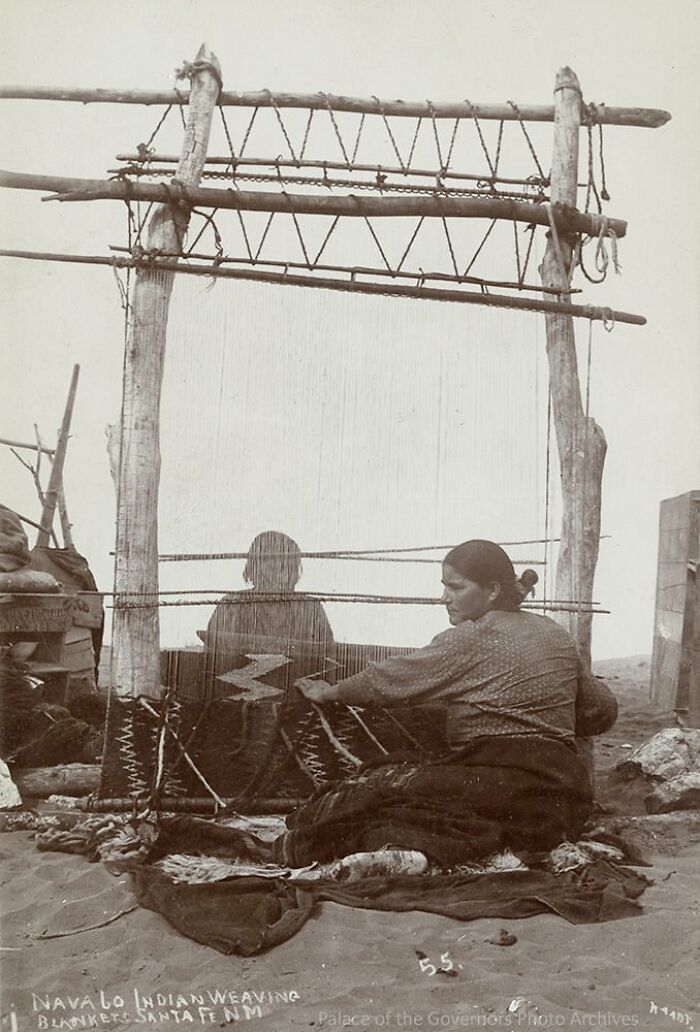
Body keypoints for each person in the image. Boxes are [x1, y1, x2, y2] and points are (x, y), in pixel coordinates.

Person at [273, 539, 617, 869]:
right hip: (567, 798)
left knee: (378, 788)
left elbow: (391, 679)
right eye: (445, 586)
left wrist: (330, 692)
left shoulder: (471, 638)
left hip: (506, 789)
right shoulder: (555, 633)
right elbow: (602, 710)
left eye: (455, 587)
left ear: (493, 590)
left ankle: (407, 855)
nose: (444, 598)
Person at [204, 531, 335, 694]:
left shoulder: (310, 608)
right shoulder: (232, 605)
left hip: (300, 695)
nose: (284, 576)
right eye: (275, 568)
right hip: (238, 696)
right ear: (256, 568)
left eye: (290, 568)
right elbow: (214, 662)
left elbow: (328, 662)